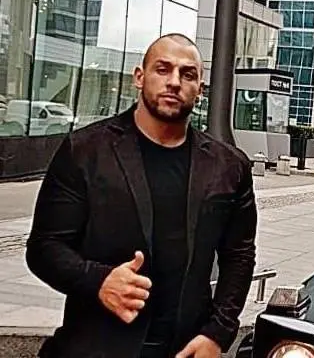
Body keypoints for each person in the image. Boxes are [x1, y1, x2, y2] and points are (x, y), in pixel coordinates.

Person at [25, 33, 257, 358]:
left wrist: (218, 333)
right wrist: (98, 280)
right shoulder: (85, 151)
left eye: (187, 74)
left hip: (185, 349)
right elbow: (44, 248)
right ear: (139, 77)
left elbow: (239, 256)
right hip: (95, 347)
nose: (174, 82)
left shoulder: (229, 166)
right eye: (163, 69)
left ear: (200, 89)